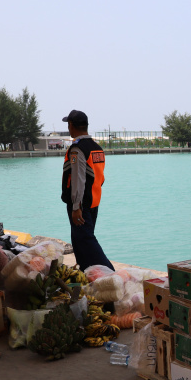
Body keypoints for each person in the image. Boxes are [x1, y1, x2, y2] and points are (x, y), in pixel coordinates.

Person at [61, 110, 114, 271]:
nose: (68, 128)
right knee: (79, 241)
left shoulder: (78, 149)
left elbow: (78, 179)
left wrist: (77, 206)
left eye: (68, 125)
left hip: (81, 205)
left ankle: (110, 273)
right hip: (93, 201)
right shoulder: (97, 148)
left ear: (71, 125)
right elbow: (101, 178)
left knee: (86, 241)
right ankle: (87, 272)